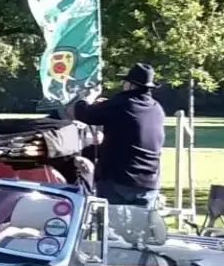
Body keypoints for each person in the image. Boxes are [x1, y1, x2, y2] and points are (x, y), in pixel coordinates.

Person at [69, 63, 165, 208]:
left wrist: (88, 98)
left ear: (132, 85)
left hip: (119, 179)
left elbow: (83, 114)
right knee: (141, 228)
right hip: (149, 182)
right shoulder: (156, 108)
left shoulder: (120, 103)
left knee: (113, 227)